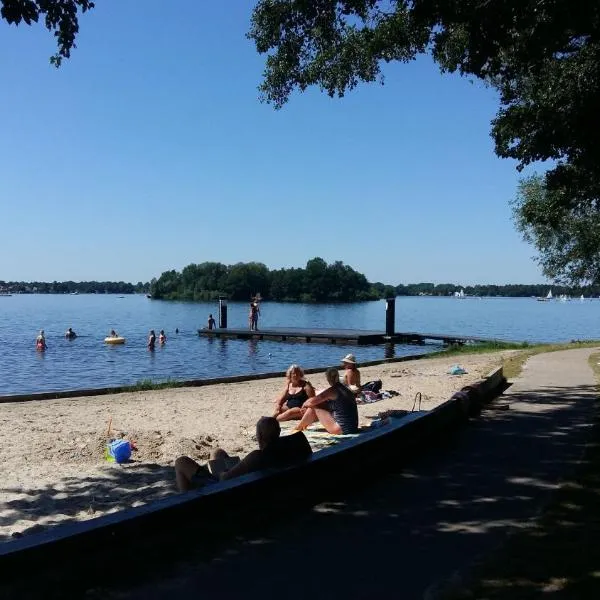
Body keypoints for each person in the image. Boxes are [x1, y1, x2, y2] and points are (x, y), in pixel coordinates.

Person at [174, 416, 312, 492]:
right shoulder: (298, 442)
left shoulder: (257, 456)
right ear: (279, 432)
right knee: (217, 452)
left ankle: (187, 499)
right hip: (281, 487)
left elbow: (224, 480)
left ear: (260, 436)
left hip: (231, 492)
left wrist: (221, 473)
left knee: (181, 461)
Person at [295, 367, 359, 435]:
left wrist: (304, 405)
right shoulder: (345, 389)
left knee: (315, 405)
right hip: (353, 428)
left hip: (342, 429)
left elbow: (312, 402)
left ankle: (299, 427)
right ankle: (302, 425)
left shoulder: (333, 390)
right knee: (319, 404)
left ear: (328, 379)